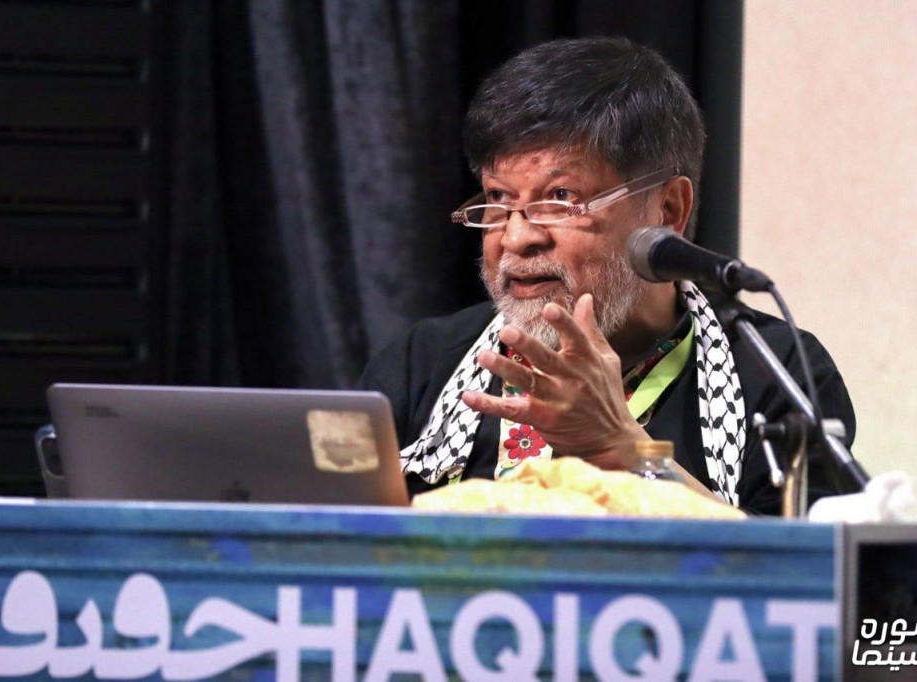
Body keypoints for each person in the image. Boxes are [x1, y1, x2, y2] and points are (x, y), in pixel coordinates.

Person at [358, 36, 858, 515]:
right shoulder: (422, 365)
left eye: (561, 198)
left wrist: (623, 448)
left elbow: (805, 565)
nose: (516, 237)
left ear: (667, 209)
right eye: (498, 199)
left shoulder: (777, 375)